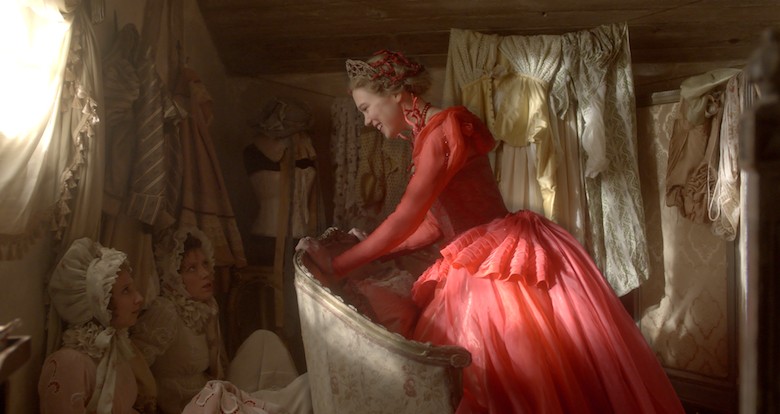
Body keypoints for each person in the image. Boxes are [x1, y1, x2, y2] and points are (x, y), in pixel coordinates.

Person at [296, 49, 686, 414]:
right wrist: (372, 249)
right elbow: (432, 225)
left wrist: (342, 264)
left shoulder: (442, 129)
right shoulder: (427, 135)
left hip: (492, 259)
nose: (366, 121)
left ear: (396, 93)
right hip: (475, 250)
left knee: (509, 368)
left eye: (366, 108)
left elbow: (406, 218)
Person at [130, 226, 311, 414]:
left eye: (205, 264)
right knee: (304, 391)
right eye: (192, 268)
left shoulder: (207, 307)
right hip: (189, 407)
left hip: (212, 394)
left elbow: (218, 367)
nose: (205, 273)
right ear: (174, 277)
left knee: (264, 339)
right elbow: (135, 365)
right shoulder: (164, 311)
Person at [38, 237, 153, 414]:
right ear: (101, 304)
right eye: (126, 291)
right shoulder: (70, 363)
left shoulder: (114, 349)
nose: (139, 298)